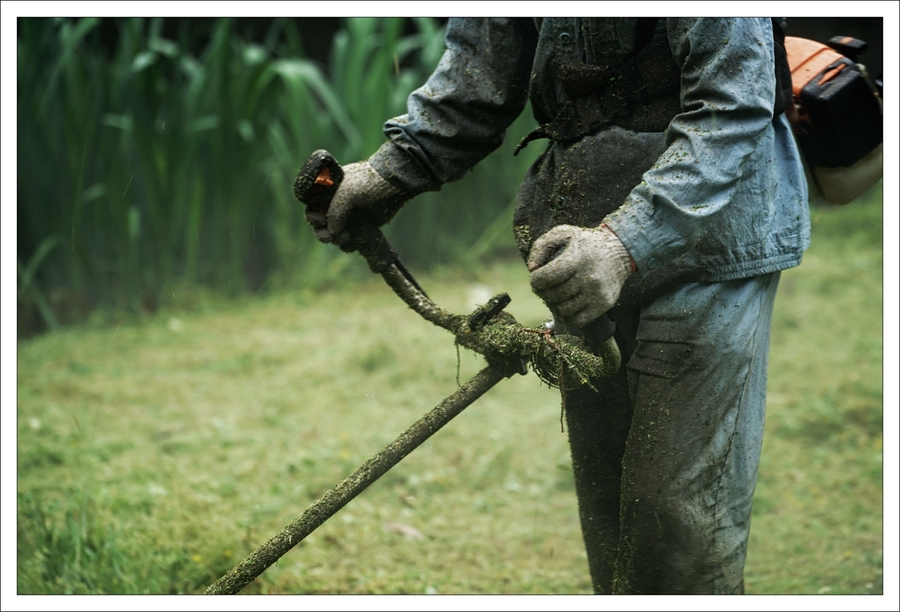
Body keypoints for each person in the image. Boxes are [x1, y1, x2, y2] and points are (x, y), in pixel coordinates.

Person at [306, 18, 810, 594]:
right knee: (611, 511)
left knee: (673, 523)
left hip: (710, 244)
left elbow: (732, 108)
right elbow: (478, 79)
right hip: (583, 238)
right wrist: (386, 173)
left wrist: (626, 244)